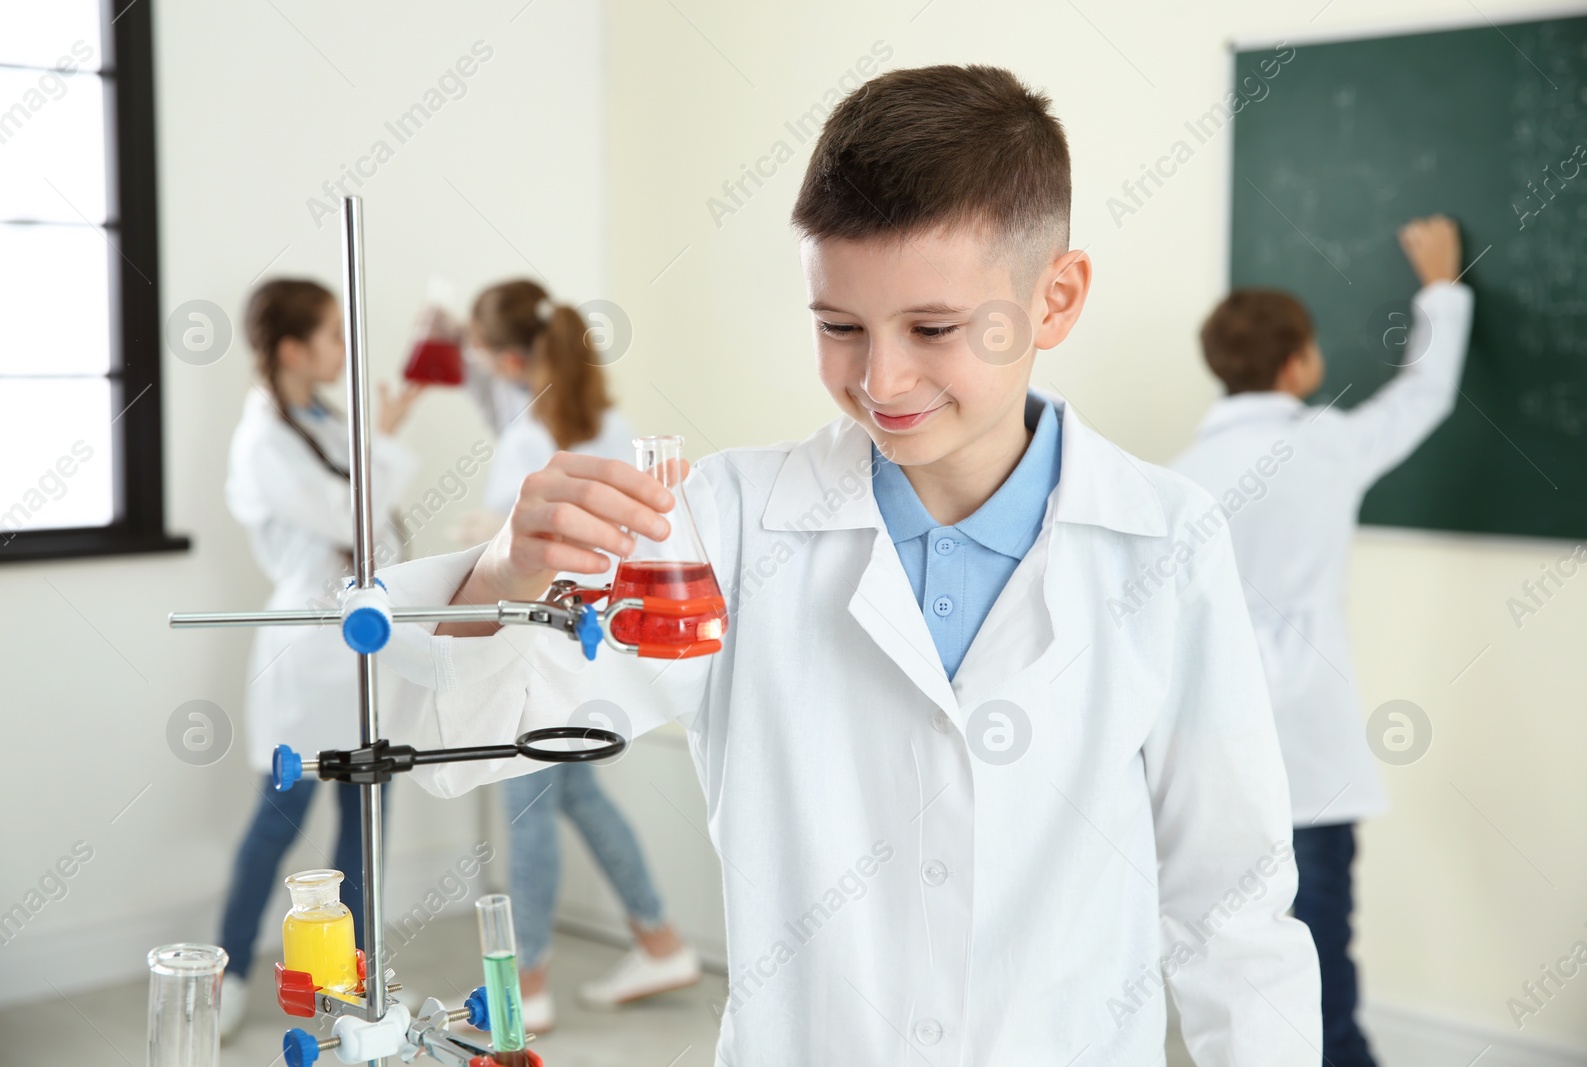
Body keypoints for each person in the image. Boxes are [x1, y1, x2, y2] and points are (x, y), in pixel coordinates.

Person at [376, 65, 1320, 1063]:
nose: (880, 379)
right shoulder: (724, 527)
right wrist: (504, 576)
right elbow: (468, 752)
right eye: (838, 328)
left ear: (1056, 297)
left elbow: (1233, 909)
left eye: (932, 328)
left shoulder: (1164, 541)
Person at [1170, 217, 1474, 1067]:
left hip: (1212, 751)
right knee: (1320, 961)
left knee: (1232, 961)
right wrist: (1442, 291)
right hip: (1310, 751)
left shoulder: (1176, 479)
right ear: (1299, 362)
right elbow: (1424, 397)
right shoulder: (1324, 446)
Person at [464, 279, 700, 1031]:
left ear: (507, 359)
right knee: (576, 797)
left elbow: (512, 545)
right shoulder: (609, 420)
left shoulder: (529, 438)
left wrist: (483, 529)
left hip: (534, 648)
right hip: (595, 644)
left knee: (526, 805)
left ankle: (526, 981)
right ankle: (659, 940)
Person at [217, 278, 422, 1041]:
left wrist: (379, 437)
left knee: (365, 822)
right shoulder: (264, 437)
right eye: (334, 335)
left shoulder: (318, 420)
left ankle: (352, 982)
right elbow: (345, 511)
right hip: (306, 659)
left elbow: (369, 518)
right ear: (293, 349)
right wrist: (390, 439)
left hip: (363, 649)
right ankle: (230, 971)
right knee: (277, 821)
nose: (345, 348)